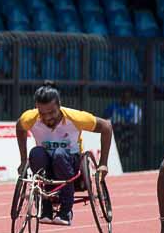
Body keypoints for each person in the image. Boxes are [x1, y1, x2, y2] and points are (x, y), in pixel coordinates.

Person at [15, 82, 114, 225]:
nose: (47, 117)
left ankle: (66, 210)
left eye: (51, 112)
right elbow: (19, 128)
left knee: (59, 154)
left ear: (59, 106)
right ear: (37, 108)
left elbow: (106, 126)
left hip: (71, 163)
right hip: (46, 165)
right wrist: (24, 160)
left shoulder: (75, 118)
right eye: (42, 114)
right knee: (36, 153)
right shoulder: (29, 118)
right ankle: (45, 208)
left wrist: (103, 163)